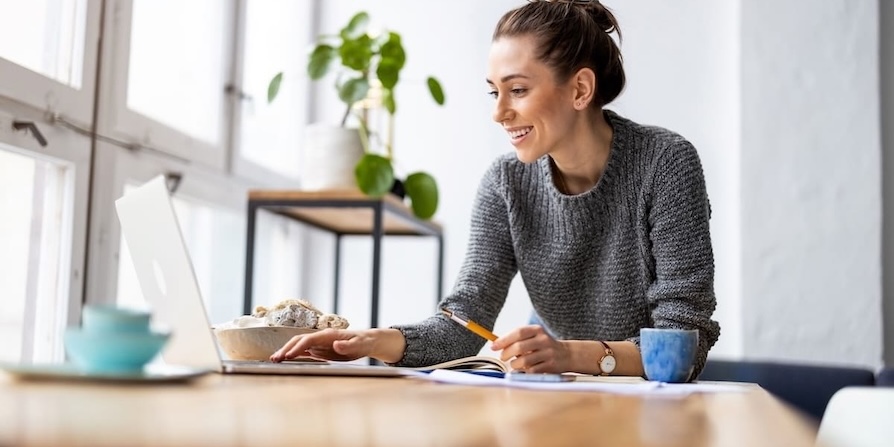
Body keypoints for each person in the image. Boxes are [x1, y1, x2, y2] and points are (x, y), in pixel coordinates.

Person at [271, 0, 720, 379]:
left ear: (580, 89)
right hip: (559, 394)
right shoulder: (506, 183)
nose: (500, 113)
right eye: (494, 93)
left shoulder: (665, 163)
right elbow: (464, 322)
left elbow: (684, 343)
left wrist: (569, 354)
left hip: (655, 408)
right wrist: (372, 340)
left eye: (518, 90)